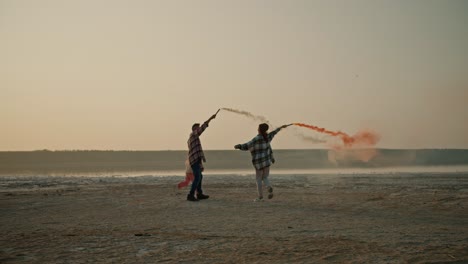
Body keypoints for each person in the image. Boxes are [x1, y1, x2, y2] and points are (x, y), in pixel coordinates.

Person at [234, 123, 289, 202]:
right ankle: (268, 186)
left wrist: (239, 146)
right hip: (266, 161)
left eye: (258, 128)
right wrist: (281, 127)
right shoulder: (268, 137)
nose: (257, 129)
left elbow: (247, 145)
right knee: (265, 177)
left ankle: (260, 197)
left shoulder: (257, 138)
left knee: (258, 179)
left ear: (259, 129)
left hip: (259, 162)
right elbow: (275, 132)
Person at [186, 112, 217, 201]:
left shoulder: (194, 137)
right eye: (197, 127)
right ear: (194, 129)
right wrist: (211, 118)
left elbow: (197, 152)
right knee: (197, 177)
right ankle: (191, 195)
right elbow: (202, 128)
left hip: (196, 160)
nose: (199, 128)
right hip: (194, 160)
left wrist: (200, 164)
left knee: (200, 176)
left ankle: (199, 193)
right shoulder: (192, 135)